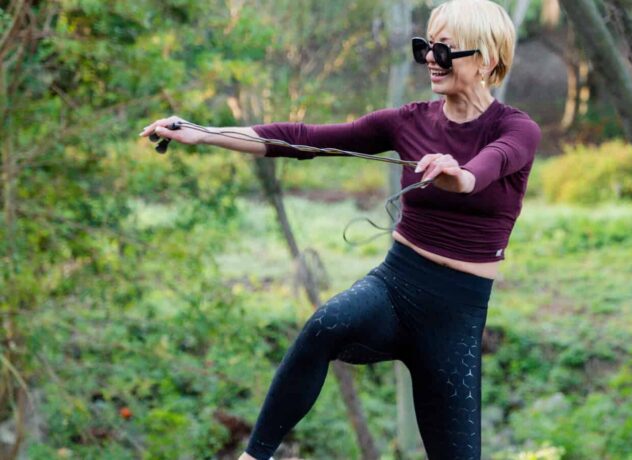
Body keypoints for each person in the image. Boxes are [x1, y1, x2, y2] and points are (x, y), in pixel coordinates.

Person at [140, 0, 540, 458]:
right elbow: (303, 139)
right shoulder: (406, 122)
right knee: (326, 324)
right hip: (396, 286)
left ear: (486, 58)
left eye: (445, 50)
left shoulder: (517, 129)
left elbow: (487, 168)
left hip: (455, 319)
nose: (431, 58)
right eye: (426, 47)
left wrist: (458, 175)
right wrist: (202, 132)